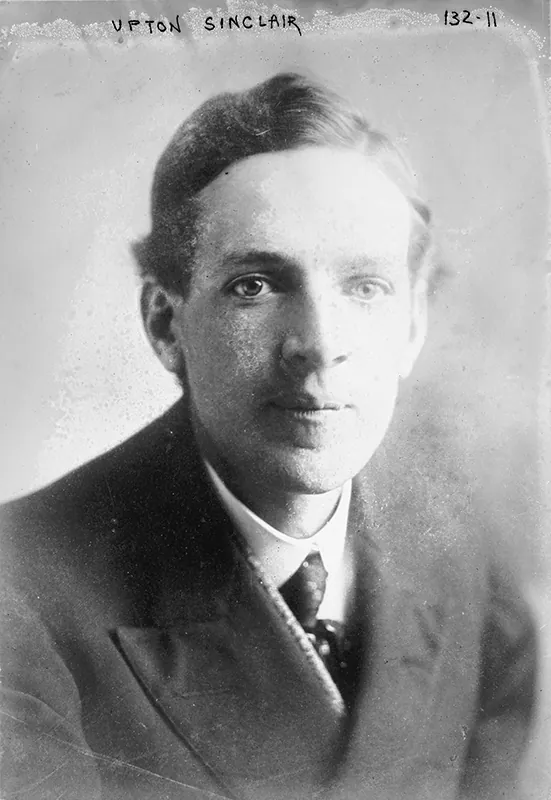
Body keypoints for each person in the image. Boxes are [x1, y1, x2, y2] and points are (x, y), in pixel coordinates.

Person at [0, 72, 538, 800]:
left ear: (413, 325)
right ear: (165, 323)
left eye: (365, 287)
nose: (318, 345)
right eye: (254, 285)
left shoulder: (472, 562)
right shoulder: (20, 592)